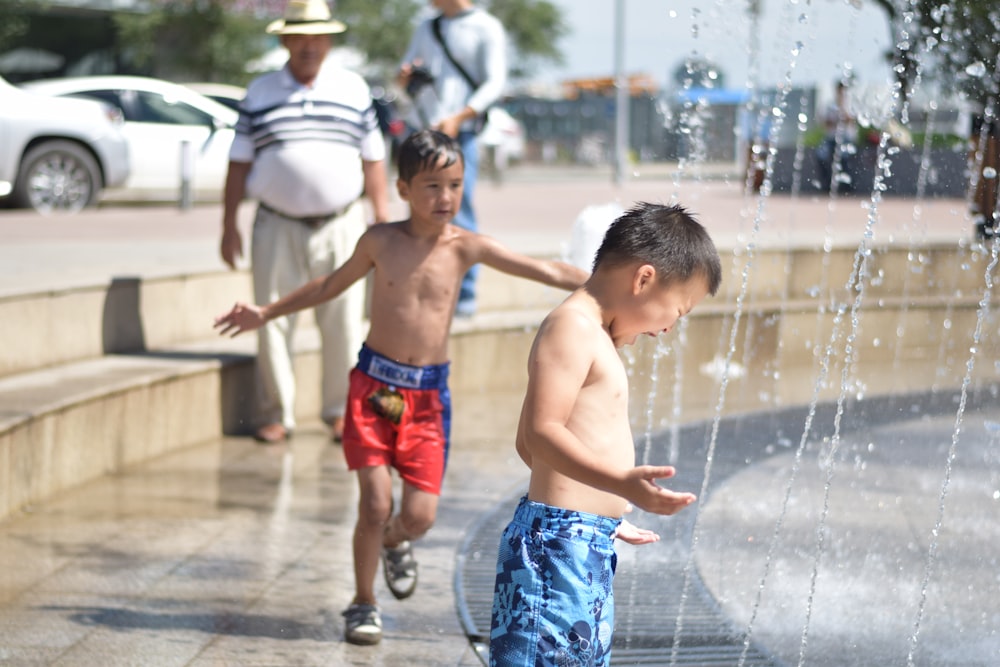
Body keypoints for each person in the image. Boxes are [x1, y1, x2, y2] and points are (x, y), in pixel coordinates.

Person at [214, 129, 588, 646]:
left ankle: (394, 541)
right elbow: (328, 286)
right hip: (373, 390)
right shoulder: (379, 242)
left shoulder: (466, 247)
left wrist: (602, 284)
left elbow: (544, 269)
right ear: (404, 188)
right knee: (373, 502)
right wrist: (268, 311)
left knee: (419, 516)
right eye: (432, 186)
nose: (446, 198)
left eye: (455, 185)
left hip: (428, 400)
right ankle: (363, 602)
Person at [489, 203, 723, 666]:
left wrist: (603, 512)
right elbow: (541, 434)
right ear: (643, 279)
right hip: (556, 548)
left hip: (579, 540)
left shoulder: (595, 336)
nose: (669, 328)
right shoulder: (571, 328)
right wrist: (617, 486)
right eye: (676, 310)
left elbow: (528, 445)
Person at [219, 0, 391, 445]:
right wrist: (228, 223)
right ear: (284, 40)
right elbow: (238, 163)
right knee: (272, 319)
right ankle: (277, 414)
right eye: (300, 35)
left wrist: (384, 219)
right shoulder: (259, 92)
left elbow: (373, 159)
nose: (309, 44)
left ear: (330, 40)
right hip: (276, 223)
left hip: (343, 222)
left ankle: (338, 412)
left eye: (318, 35)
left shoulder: (354, 89)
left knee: (345, 320)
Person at [397, 0, 507, 317]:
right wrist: (406, 77)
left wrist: (460, 117)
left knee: (459, 209)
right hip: (426, 130)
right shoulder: (427, 26)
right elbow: (405, 73)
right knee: (420, 209)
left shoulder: (486, 26)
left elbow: (495, 83)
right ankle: (426, 285)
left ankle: (465, 295)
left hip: (463, 133)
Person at [815, 81, 857, 193]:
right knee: (821, 155)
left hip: (846, 138)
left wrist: (842, 112)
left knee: (844, 157)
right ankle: (826, 184)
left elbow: (851, 120)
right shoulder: (830, 105)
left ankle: (846, 186)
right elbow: (825, 123)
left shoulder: (850, 105)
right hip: (830, 138)